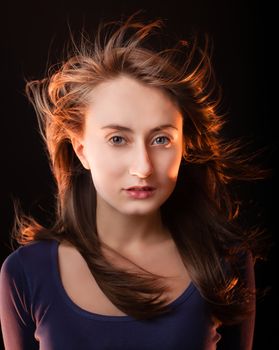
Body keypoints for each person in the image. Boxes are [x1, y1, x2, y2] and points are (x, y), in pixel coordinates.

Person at [0, 14, 267, 350]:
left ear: (184, 144)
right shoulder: (26, 274)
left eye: (161, 140)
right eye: (117, 139)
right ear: (81, 149)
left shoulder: (224, 262)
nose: (143, 167)